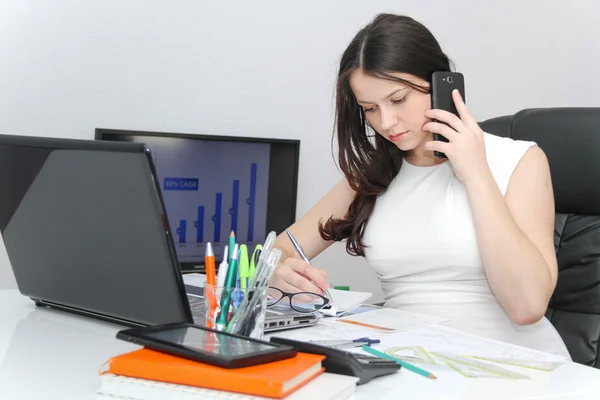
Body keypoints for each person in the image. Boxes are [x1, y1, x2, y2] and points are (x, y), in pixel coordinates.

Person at [268, 13, 570, 358]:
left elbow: (527, 306)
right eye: (369, 108)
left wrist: (476, 175)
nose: (386, 122)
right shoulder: (373, 176)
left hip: (513, 363)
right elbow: (281, 249)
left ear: (443, 83)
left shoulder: (519, 161)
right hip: (413, 363)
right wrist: (279, 271)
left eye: (398, 100)